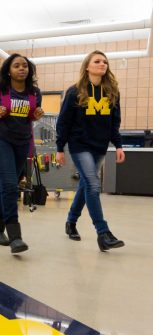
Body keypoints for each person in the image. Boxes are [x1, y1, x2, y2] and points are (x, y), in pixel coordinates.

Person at [56, 50, 125, 251]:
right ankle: (103, 233)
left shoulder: (112, 92)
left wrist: (118, 145)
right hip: (79, 146)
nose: (102, 64)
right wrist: (60, 148)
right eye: (97, 61)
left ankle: (71, 222)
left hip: (99, 145)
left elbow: (114, 123)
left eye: (105, 61)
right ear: (87, 66)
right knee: (94, 185)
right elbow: (63, 122)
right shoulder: (74, 91)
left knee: (86, 185)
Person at [0, 53, 44, 254]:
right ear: (9, 70)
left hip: (22, 141)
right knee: (8, 184)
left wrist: (36, 115)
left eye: (24, 66)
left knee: (11, 185)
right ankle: (15, 236)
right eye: (16, 66)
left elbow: (30, 117)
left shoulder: (35, 93)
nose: (22, 69)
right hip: (0, 139)